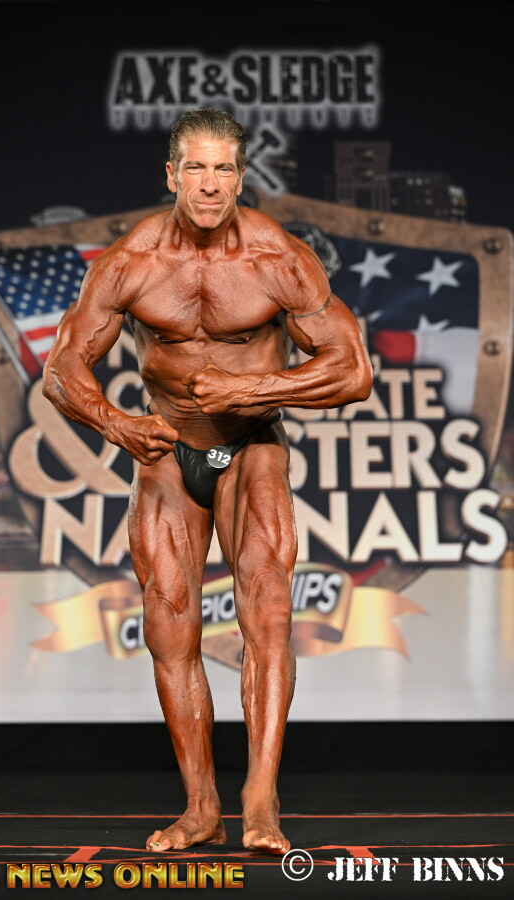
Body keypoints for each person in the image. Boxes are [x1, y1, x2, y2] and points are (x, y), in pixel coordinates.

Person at [43, 107, 372, 855]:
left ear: (241, 176)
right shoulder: (130, 262)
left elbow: (353, 370)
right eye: (196, 166)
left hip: (251, 446)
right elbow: (62, 368)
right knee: (168, 626)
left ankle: (262, 799)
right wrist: (115, 424)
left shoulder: (276, 257)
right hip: (166, 450)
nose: (211, 183)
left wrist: (252, 390)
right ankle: (201, 808)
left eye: (224, 168)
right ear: (172, 175)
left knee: (267, 611)